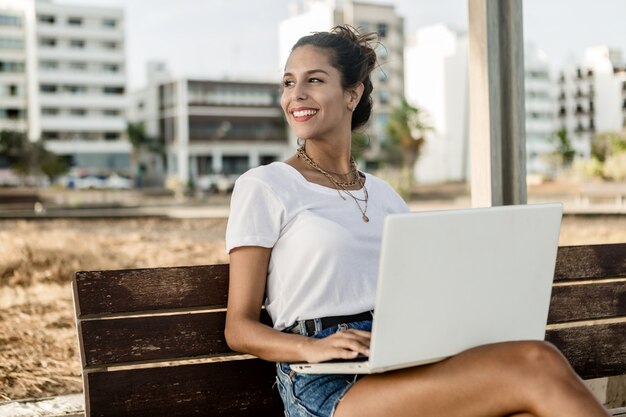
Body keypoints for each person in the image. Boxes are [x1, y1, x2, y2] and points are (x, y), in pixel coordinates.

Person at [224, 25, 609, 417]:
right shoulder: (265, 186)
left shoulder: (386, 196)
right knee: (536, 362)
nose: (296, 95)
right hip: (325, 380)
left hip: (401, 360)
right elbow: (238, 328)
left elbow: (417, 297)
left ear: (352, 94)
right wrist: (312, 348)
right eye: (288, 82)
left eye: (314, 80)